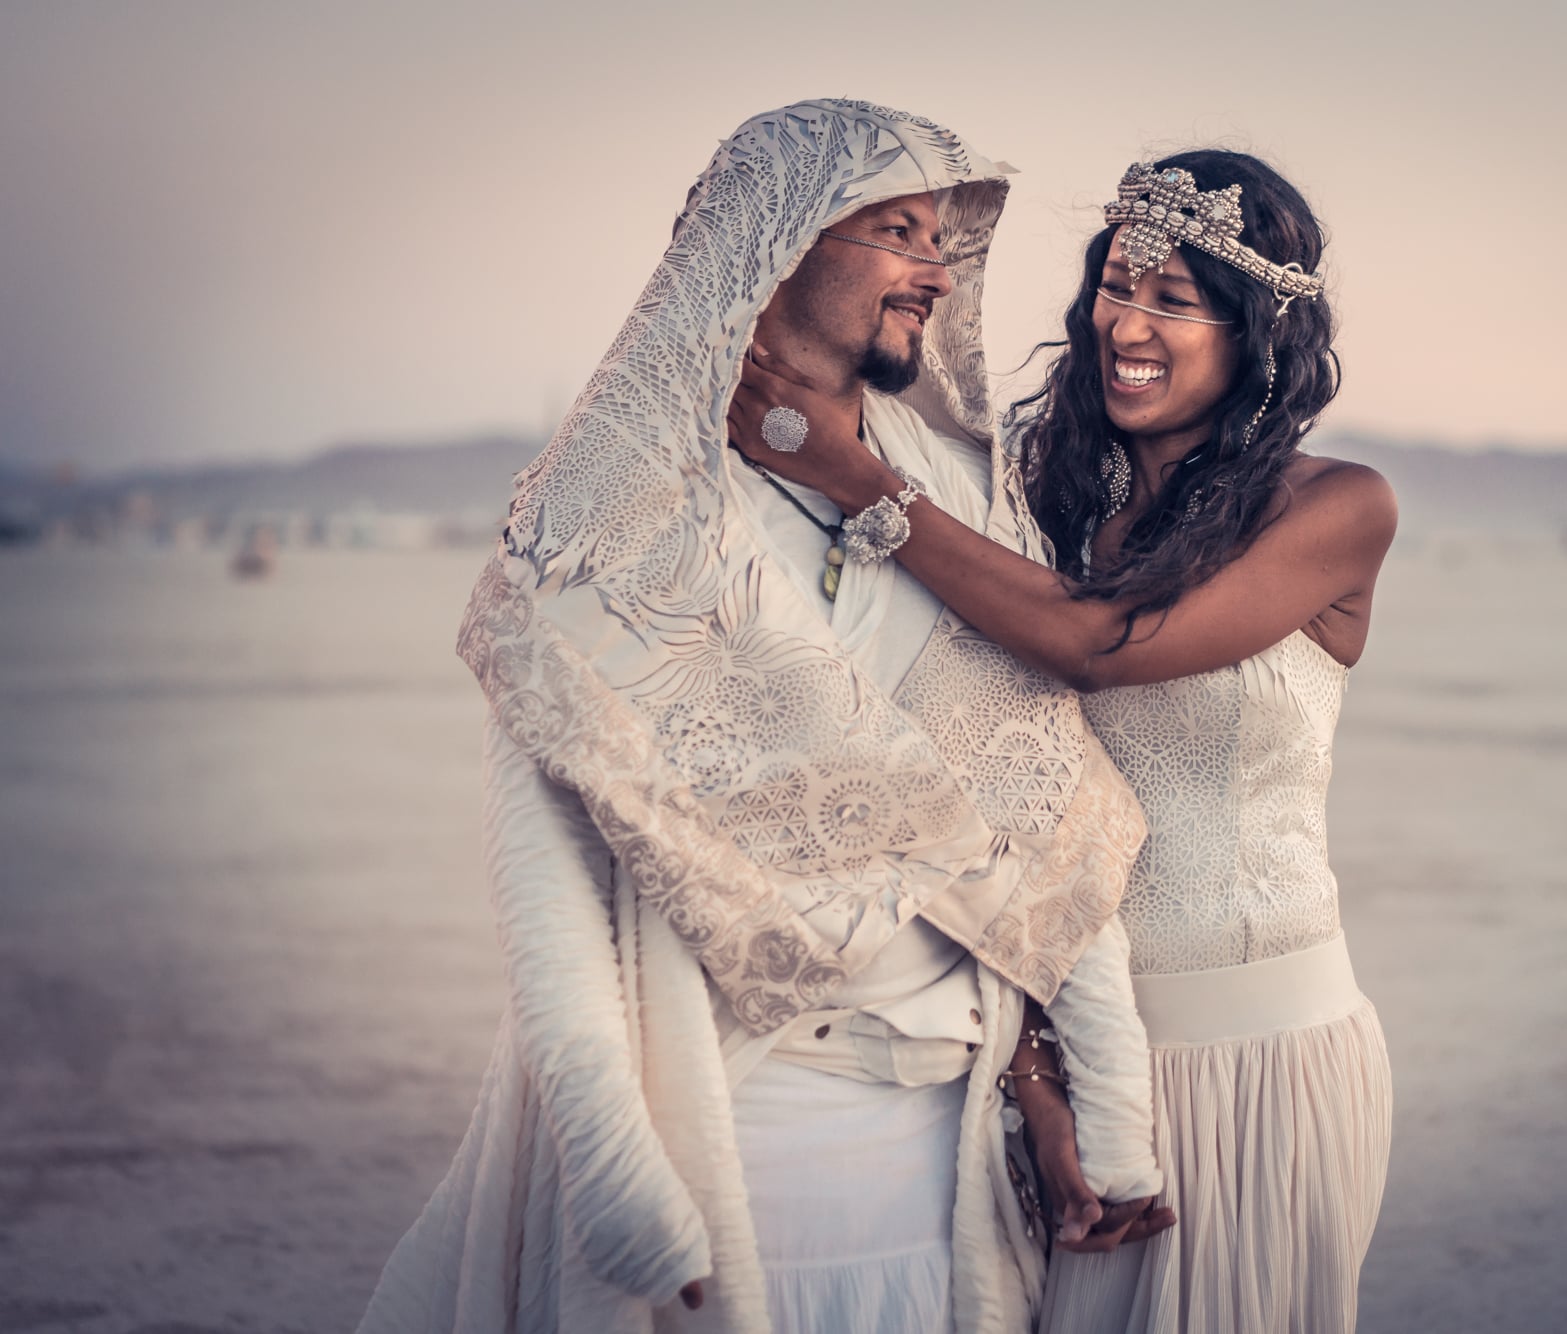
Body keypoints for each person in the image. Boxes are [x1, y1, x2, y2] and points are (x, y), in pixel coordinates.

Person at [357, 99, 1170, 1334]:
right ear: (778, 238)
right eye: (897, 230)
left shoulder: (953, 492)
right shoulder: (614, 506)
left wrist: (1113, 1101)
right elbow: (550, 879)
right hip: (738, 1125)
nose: (933, 270)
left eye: (941, 238)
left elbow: (1043, 802)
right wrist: (624, 1174)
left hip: (940, 1160)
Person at [730, 149, 1397, 1332]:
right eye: (1114, 285)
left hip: (1266, 1048)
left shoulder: (1332, 508)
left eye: (1173, 302)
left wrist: (850, 477)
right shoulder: (1033, 503)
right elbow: (1002, 799)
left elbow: (1098, 643)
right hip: (1082, 1048)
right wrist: (1036, 1075)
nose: (1123, 323)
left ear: (1254, 338)